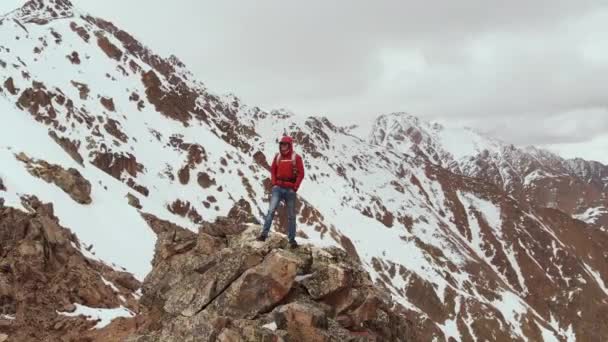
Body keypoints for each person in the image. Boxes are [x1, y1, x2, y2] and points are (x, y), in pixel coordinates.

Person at [257, 135, 305, 247]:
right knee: (271, 211)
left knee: (291, 215)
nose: (283, 146)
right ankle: (264, 235)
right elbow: (273, 170)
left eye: (285, 144)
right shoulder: (277, 157)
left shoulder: (296, 158)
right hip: (278, 188)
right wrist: (274, 184)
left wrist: (295, 187)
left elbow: (301, 174)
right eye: (281, 144)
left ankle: (292, 240)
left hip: (290, 189)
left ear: (289, 145)